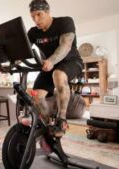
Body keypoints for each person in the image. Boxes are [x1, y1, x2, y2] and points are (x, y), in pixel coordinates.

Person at [27, 0, 83, 137]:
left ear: (48, 12)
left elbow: (65, 46)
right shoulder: (33, 32)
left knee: (58, 74)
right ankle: (48, 126)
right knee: (37, 97)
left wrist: (51, 60)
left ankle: (61, 120)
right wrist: (9, 63)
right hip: (49, 67)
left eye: (39, 15)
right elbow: (23, 50)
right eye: (33, 16)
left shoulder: (65, 22)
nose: (36, 20)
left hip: (71, 62)